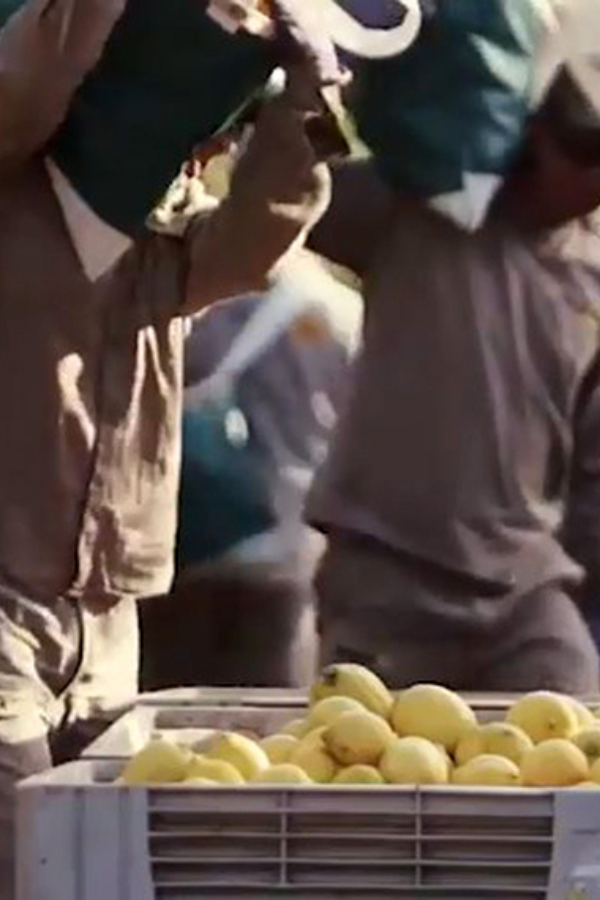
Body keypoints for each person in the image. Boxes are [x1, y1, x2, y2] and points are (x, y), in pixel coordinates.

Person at [0, 1, 341, 892]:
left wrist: (303, 109)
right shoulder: (17, 184)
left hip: (103, 618)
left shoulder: (147, 224)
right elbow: (24, 80)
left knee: (93, 874)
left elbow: (251, 245)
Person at [305, 2, 600, 694]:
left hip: (524, 591)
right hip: (388, 574)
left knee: (577, 774)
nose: (591, 176)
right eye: (581, 147)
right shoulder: (418, 215)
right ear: (536, 131)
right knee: (371, 784)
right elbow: (294, 198)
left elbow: (599, 459)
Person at [140, 253, 360, 690]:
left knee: (167, 727)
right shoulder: (342, 311)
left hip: (181, 553)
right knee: (266, 734)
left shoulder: (200, 293)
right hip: (288, 556)